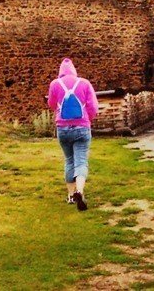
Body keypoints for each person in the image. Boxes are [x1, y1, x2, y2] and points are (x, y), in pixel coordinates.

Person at [48, 58, 99, 211]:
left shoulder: (55, 84)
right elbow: (93, 106)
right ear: (74, 70)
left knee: (69, 160)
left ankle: (71, 196)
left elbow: (51, 103)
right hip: (82, 127)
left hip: (63, 129)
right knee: (81, 161)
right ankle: (80, 191)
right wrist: (87, 119)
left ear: (60, 71)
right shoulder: (84, 83)